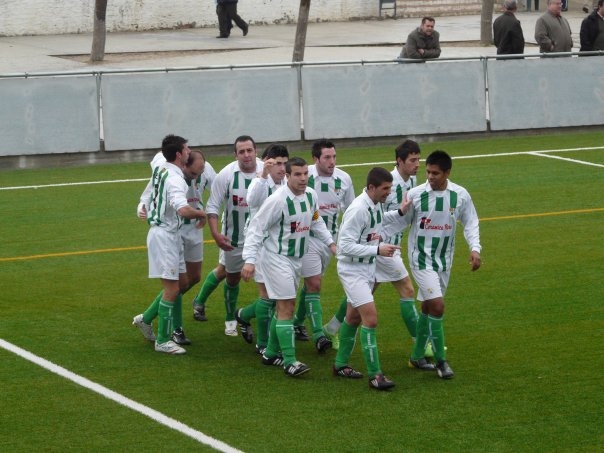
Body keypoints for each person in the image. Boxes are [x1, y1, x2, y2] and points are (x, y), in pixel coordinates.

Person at [241, 157, 336, 377]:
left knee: (284, 307)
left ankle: (271, 352)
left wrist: (330, 243)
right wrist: (249, 260)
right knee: (287, 306)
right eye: (298, 174)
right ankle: (290, 361)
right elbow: (257, 227)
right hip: (277, 258)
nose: (303, 178)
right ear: (287, 176)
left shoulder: (311, 195)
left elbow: (315, 220)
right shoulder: (278, 200)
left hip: (296, 259)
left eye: (305, 174)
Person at [401, 150, 482, 379]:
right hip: (421, 260)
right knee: (437, 306)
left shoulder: (460, 195)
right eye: (427, 172)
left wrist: (475, 248)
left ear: (447, 172)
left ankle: (416, 357)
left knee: (428, 308)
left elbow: (471, 222)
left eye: (435, 173)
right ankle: (441, 361)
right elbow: (399, 221)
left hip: (444, 261)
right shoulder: (415, 195)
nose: (430, 176)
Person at [333, 167, 408, 390]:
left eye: (390, 188)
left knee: (353, 317)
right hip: (352, 271)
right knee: (371, 319)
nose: (389, 193)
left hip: (366, 269)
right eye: (386, 189)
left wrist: (400, 213)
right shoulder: (358, 209)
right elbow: (344, 246)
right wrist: (377, 249)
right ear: (372, 187)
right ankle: (376, 375)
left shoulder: (374, 204)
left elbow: (380, 220)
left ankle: (339, 365)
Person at [132, 135, 207, 354]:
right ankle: (163, 340)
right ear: (179, 154)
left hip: (170, 236)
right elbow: (183, 210)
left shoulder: (160, 163)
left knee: (182, 283)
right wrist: (201, 214)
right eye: (187, 149)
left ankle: (145, 319)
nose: (189, 151)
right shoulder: (175, 179)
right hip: (165, 236)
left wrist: (143, 203)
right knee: (172, 288)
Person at [191, 135, 263, 336]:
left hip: (263, 240)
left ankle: (269, 322)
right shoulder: (226, 175)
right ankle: (230, 317)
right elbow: (213, 205)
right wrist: (215, 233)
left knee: (268, 281)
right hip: (234, 236)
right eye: (242, 151)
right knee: (231, 277)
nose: (246, 155)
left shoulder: (266, 170)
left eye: (249, 150)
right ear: (235, 154)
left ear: (256, 151)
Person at [292, 139, 355, 352]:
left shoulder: (344, 179)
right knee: (314, 283)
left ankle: (297, 323)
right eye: (327, 157)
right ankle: (319, 334)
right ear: (316, 159)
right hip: (306, 238)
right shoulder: (304, 176)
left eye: (334, 157)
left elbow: (350, 212)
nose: (332, 161)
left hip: (331, 241)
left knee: (311, 284)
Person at [235, 144, 289, 353]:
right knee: (267, 295)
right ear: (267, 162)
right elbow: (251, 200)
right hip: (259, 245)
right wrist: (263, 174)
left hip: (279, 246)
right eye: (277, 164)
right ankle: (264, 343)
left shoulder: (287, 182)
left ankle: (244, 315)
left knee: (276, 296)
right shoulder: (260, 182)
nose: (282, 168)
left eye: (285, 163)